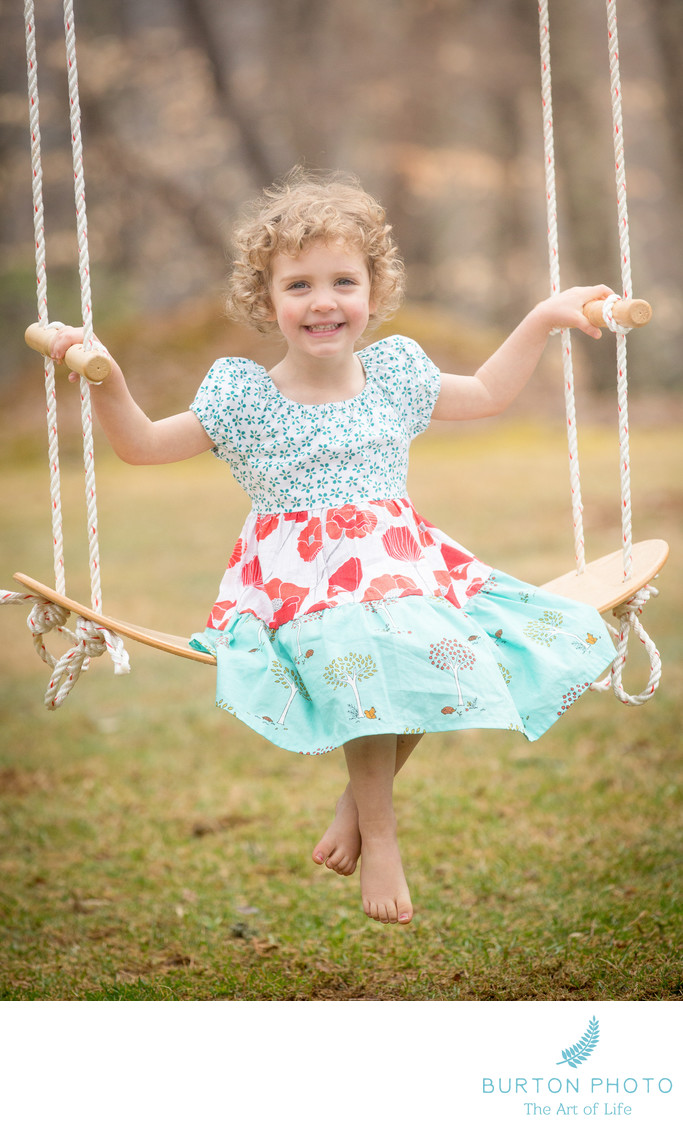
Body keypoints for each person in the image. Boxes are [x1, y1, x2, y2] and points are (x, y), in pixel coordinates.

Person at [50, 167, 616, 927]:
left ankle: (356, 806)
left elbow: (487, 393)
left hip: (404, 567)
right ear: (266, 301)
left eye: (344, 281)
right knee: (375, 643)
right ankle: (380, 837)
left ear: (374, 294)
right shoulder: (243, 398)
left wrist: (543, 317)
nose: (323, 301)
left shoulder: (394, 377)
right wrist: (107, 379)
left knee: (441, 646)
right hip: (300, 588)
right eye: (298, 286)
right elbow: (146, 446)